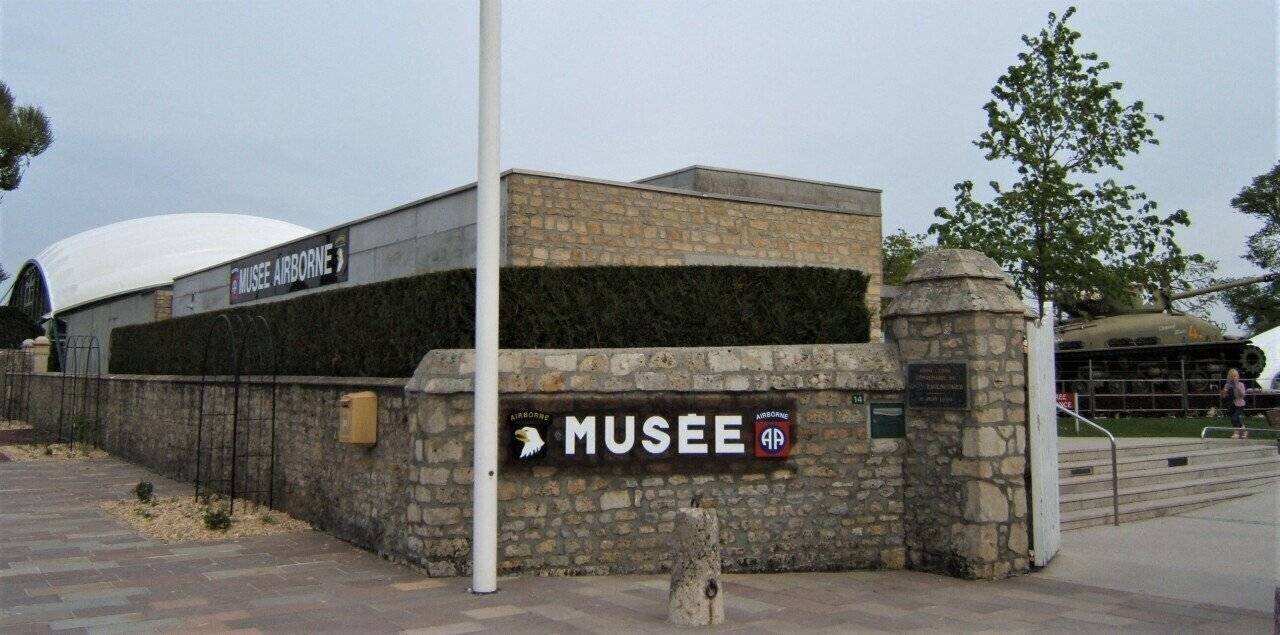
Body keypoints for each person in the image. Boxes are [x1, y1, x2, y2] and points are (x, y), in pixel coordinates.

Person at [1221, 369, 1247, 439]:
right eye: (1231, 376)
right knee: (1234, 419)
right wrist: (1224, 392)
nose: (1233, 378)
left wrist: (1236, 386)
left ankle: (1236, 433)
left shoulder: (1241, 384)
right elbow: (1224, 396)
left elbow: (1243, 395)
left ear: (1238, 376)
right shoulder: (1227, 385)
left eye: (1235, 376)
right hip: (1232, 404)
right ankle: (1244, 430)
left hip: (1240, 404)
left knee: (1235, 417)